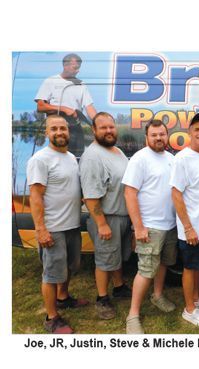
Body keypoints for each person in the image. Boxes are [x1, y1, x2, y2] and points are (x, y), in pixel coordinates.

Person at [27, 115, 88, 334]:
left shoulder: (71, 157)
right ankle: (51, 317)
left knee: (70, 267)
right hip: (53, 228)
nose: (59, 132)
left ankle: (63, 298)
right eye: (54, 129)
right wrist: (41, 229)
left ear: (68, 132)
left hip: (71, 225)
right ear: (46, 133)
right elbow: (35, 196)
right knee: (51, 274)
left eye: (63, 128)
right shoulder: (40, 159)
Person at [123, 119, 177, 334]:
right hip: (150, 226)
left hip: (170, 224)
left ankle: (157, 296)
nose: (158, 138)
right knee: (146, 270)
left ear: (167, 135)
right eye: (154, 135)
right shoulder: (139, 159)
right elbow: (129, 193)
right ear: (147, 137)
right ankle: (133, 315)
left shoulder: (172, 159)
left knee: (163, 263)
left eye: (162, 134)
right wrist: (139, 227)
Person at [79, 112, 132, 320]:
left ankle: (119, 287)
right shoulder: (93, 156)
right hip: (107, 218)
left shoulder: (115, 151)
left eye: (111, 127)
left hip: (121, 215)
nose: (109, 131)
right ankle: (102, 299)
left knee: (116, 257)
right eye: (103, 128)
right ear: (94, 130)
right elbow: (90, 196)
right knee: (104, 259)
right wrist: (101, 224)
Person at [170, 112, 199, 327]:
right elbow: (176, 194)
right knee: (190, 267)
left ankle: (196, 298)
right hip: (192, 228)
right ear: (189, 132)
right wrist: (188, 228)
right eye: (196, 129)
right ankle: (189, 309)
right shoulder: (182, 158)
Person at [35, 53, 97, 156]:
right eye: (75, 67)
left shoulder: (81, 84)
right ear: (65, 66)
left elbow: (89, 108)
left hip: (76, 129)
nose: (78, 70)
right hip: (58, 129)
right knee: (59, 158)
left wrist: (98, 122)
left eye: (79, 68)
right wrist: (63, 109)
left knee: (78, 158)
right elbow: (40, 106)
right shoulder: (51, 81)